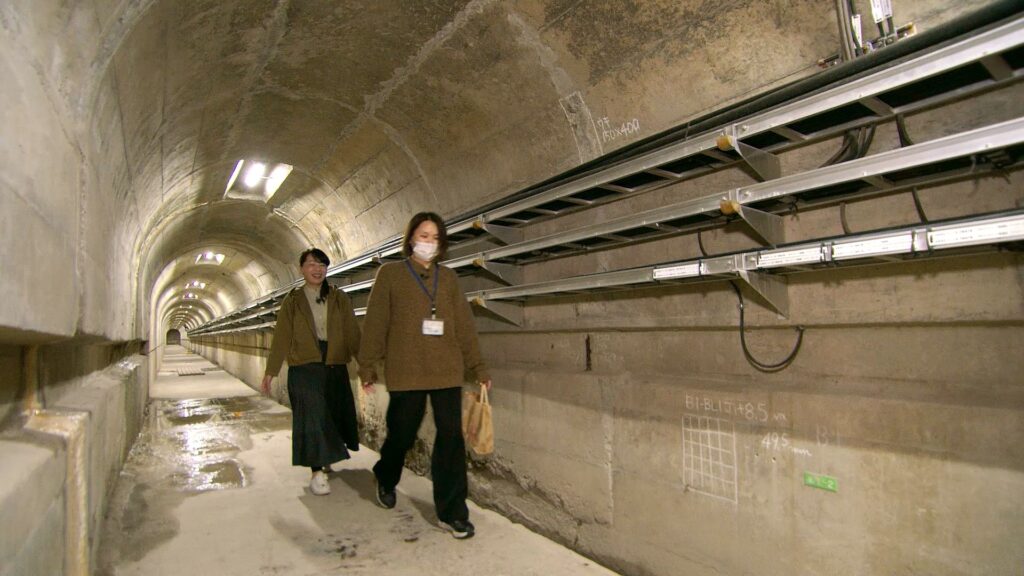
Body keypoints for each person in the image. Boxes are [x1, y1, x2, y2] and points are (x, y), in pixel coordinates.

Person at [358, 212, 491, 539]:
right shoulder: (390, 275)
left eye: (434, 237)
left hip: (446, 370)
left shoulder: (448, 279)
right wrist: (367, 365)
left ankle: (452, 512)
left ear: (441, 243)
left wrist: (478, 367)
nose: (428, 242)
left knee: (451, 438)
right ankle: (385, 476)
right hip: (407, 370)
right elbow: (376, 323)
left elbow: (463, 327)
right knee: (402, 434)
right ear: (410, 238)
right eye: (423, 235)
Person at [262, 248, 362, 496]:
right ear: (301, 269)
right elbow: (282, 336)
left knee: (332, 413)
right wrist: (271, 370)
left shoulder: (338, 297)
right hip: (304, 366)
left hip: (334, 363)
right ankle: (317, 471)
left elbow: (352, 333)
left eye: (322, 265)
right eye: (311, 264)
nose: (317, 269)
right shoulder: (293, 300)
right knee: (312, 415)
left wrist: (367, 366)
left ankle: (325, 454)